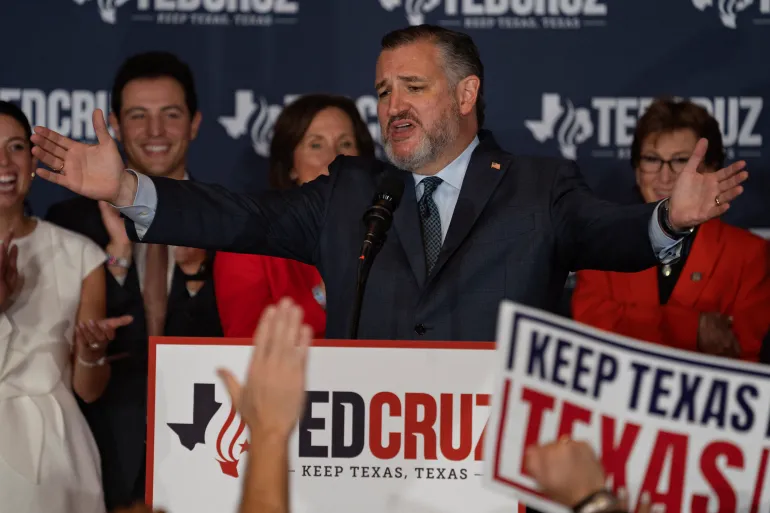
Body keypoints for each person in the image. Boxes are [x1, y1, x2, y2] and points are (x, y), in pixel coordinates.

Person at [30, 25, 747, 344]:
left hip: (488, 469)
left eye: (413, 86)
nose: (392, 104)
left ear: (467, 95)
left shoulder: (538, 186)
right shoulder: (350, 191)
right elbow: (240, 216)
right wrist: (130, 188)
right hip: (368, 466)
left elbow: (609, 234)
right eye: (381, 90)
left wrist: (666, 218)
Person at [44, 51, 223, 510]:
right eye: (138, 116)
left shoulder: (230, 219)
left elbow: (234, 345)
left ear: (195, 123)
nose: (155, 132)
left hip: (205, 455)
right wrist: (115, 264)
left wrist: (195, 275)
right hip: (100, 457)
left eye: (171, 115)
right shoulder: (70, 222)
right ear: (117, 127)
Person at [0, 100, 133, 512]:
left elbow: (88, 391)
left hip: (56, 456)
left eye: (16, 146)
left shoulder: (79, 253)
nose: (4, 162)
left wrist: (92, 354)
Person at [571, 98, 770, 361]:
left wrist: (632, 322)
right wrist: (691, 328)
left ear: (711, 169)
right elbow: (588, 331)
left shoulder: (749, 255)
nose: (664, 177)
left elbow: (742, 352)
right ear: (637, 171)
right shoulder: (602, 244)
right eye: (652, 159)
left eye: (681, 161)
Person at [214, 94, 376, 339]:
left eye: (345, 144)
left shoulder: (389, 233)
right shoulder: (248, 238)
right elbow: (245, 343)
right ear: (290, 163)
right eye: (315, 145)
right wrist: (324, 297)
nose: (334, 159)